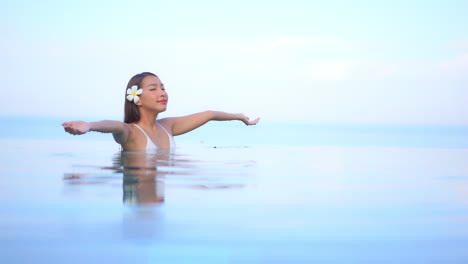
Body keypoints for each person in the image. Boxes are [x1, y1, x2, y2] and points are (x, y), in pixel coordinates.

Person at [62, 72, 260, 151]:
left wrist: (240, 117)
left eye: (163, 87)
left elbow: (208, 114)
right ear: (137, 99)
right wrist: (88, 126)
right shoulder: (130, 132)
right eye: (153, 89)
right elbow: (113, 125)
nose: (162, 93)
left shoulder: (167, 126)